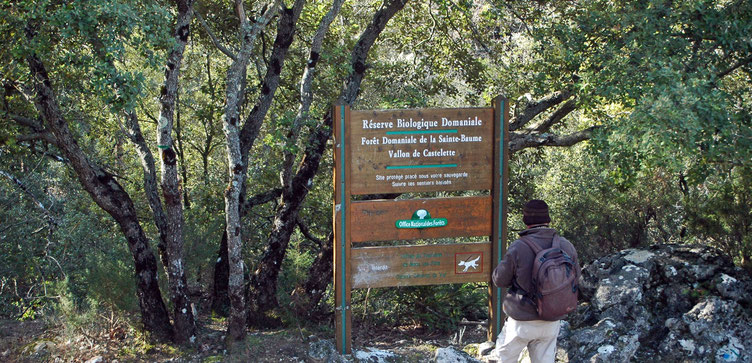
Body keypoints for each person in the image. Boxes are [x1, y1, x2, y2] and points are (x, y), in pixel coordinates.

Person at [492, 199, 581, 362]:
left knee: (503, 358)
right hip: (552, 320)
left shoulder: (518, 247)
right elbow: (577, 280)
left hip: (521, 320)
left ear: (526, 222)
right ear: (548, 220)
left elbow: (499, 280)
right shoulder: (566, 246)